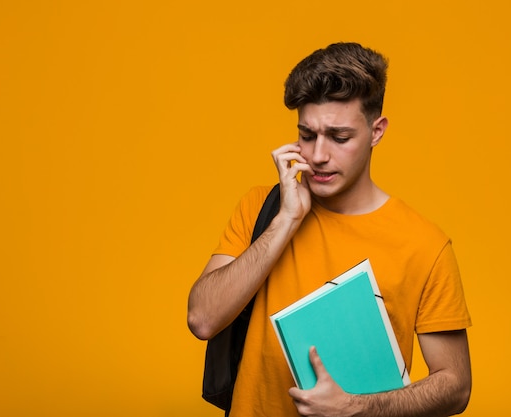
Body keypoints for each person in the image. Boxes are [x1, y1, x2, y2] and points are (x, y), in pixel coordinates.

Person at [188, 42, 472, 417]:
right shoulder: (262, 208)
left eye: (339, 138)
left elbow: (456, 385)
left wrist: (355, 408)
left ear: (376, 131)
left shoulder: (424, 245)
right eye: (307, 135)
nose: (318, 155)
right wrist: (286, 220)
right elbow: (203, 319)